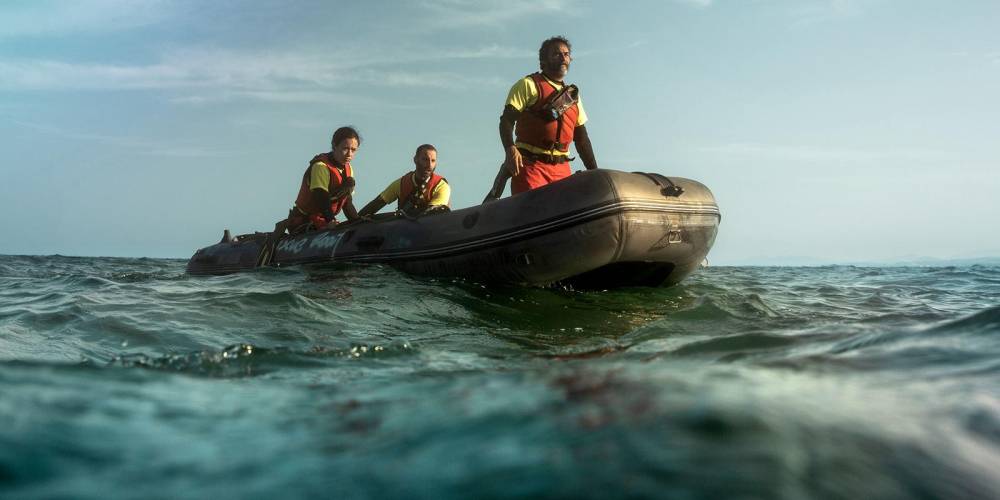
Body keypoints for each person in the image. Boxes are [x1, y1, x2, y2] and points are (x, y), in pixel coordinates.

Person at [484, 35, 599, 201]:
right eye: (557, 54)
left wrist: (595, 173)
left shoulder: (573, 97)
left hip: (562, 170)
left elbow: (582, 139)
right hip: (531, 167)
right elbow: (507, 121)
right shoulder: (528, 85)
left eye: (566, 54)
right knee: (534, 209)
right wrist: (510, 149)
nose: (563, 58)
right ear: (543, 60)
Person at [281, 126, 362, 233]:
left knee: (350, 183)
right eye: (345, 149)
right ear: (334, 146)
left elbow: (347, 201)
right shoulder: (320, 166)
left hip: (324, 220)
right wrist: (331, 221)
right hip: (305, 222)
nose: (349, 154)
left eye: (353, 150)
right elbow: (321, 197)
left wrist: (357, 222)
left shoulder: (348, 169)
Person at [359, 144, 450, 218]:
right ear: (415, 160)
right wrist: (356, 220)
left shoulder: (441, 185)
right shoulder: (401, 184)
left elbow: (432, 214)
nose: (429, 165)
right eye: (425, 159)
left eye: (433, 161)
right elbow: (376, 204)